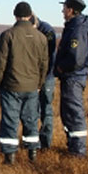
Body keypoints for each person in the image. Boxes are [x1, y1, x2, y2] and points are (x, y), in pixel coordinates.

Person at [0, 2, 48, 164]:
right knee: (31, 119)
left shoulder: (8, 35)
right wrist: (39, 84)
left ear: (15, 15)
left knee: (10, 120)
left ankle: (10, 156)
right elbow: (44, 64)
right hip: (32, 86)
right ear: (30, 15)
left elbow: (0, 62)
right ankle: (32, 153)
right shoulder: (41, 37)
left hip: (11, 86)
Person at [55, 0, 88, 157]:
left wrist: (62, 68)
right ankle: (73, 146)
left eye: (64, 7)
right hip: (71, 77)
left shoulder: (77, 29)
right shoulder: (74, 26)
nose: (62, 10)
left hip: (73, 77)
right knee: (68, 112)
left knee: (74, 112)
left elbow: (76, 57)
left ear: (71, 10)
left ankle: (78, 151)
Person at [30, 14, 57, 150]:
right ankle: (34, 141)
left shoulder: (47, 31)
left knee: (46, 109)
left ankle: (45, 142)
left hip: (47, 77)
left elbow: (49, 57)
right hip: (33, 77)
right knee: (32, 109)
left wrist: (43, 77)